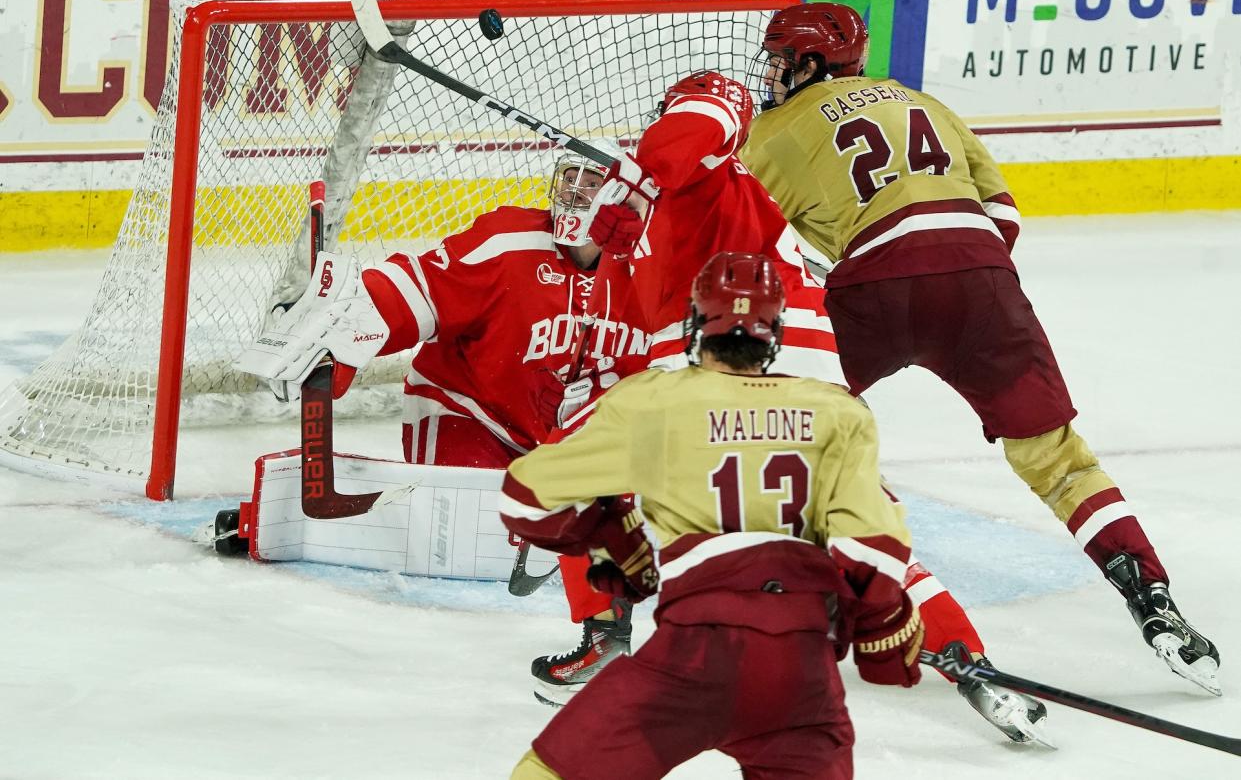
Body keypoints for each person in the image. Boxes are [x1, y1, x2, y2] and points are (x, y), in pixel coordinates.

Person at [740, 2, 1220, 695]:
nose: (774, 72)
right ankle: (1149, 592)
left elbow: (745, 235)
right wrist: (963, 280)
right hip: (982, 275)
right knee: (1055, 454)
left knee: (802, 432)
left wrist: (841, 266)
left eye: (782, 59)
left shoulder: (776, 131)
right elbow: (1003, 216)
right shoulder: (923, 103)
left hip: (873, 289)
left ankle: (918, 615)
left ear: (811, 63)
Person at [582, 70, 1049, 743]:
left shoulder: (710, 175)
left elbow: (710, 110)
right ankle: (964, 660)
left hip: (770, 357)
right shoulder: (643, 230)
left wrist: (636, 169)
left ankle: (940, 653)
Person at [237, 145, 647, 702]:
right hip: (469, 410)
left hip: (568, 438)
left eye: (591, 182)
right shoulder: (509, 242)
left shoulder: (654, 273)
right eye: (568, 177)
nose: (573, 192)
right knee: (466, 526)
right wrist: (351, 333)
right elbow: (418, 287)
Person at [502, 252, 923, 780]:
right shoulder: (837, 411)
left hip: (694, 654)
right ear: (775, 333)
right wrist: (884, 621)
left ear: (695, 324)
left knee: (548, 772)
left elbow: (526, 496)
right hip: (800, 674)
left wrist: (610, 531)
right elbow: (873, 548)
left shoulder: (655, 402)